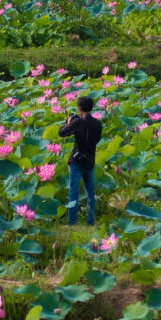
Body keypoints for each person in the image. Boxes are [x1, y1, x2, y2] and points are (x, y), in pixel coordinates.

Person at [60, 95, 102, 225]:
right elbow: (96, 141)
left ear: (79, 108)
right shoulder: (98, 123)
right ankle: (91, 221)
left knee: (73, 192)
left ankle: (72, 222)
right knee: (90, 193)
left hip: (77, 161)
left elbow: (62, 133)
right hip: (90, 161)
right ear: (92, 107)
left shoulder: (78, 122)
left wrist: (69, 123)